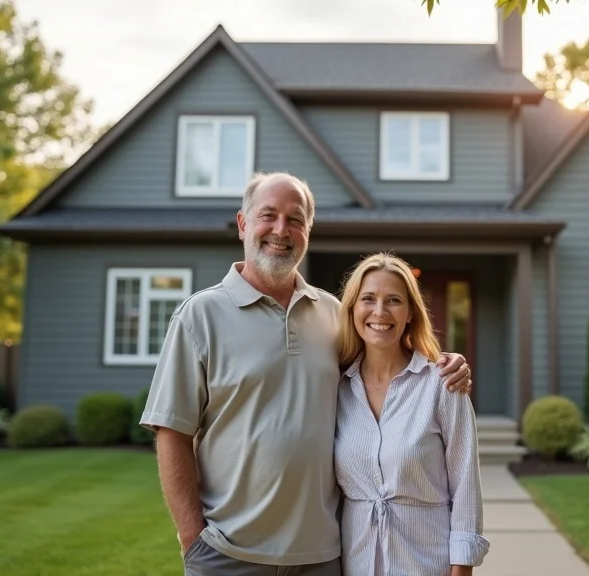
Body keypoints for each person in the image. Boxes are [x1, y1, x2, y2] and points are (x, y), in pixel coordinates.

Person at [139, 171, 474, 576]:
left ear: (308, 232)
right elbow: (172, 431)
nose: (281, 230)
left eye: (295, 219)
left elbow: (384, 357)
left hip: (321, 556)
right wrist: (193, 538)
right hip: (228, 555)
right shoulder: (199, 316)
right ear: (243, 224)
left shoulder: (333, 315)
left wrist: (445, 363)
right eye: (268, 215)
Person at [333, 253, 489, 576]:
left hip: (426, 564)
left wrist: (462, 569)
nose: (380, 311)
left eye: (394, 300)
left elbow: (466, 488)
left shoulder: (442, 385)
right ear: (352, 309)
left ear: (410, 314)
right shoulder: (337, 388)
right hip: (356, 564)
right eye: (368, 298)